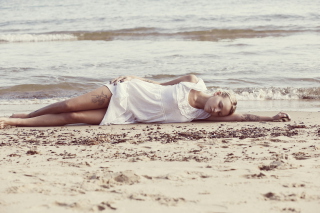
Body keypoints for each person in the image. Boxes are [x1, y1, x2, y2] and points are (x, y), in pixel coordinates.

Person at [0, 75, 290, 129]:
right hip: (129, 93)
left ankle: (13, 121)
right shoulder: (193, 79)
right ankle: (26, 115)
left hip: (130, 115)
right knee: (68, 105)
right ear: (219, 93)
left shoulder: (201, 117)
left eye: (219, 112)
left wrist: (271, 119)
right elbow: (160, 84)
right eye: (219, 104)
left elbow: (243, 118)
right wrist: (133, 77)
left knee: (74, 119)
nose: (216, 110)